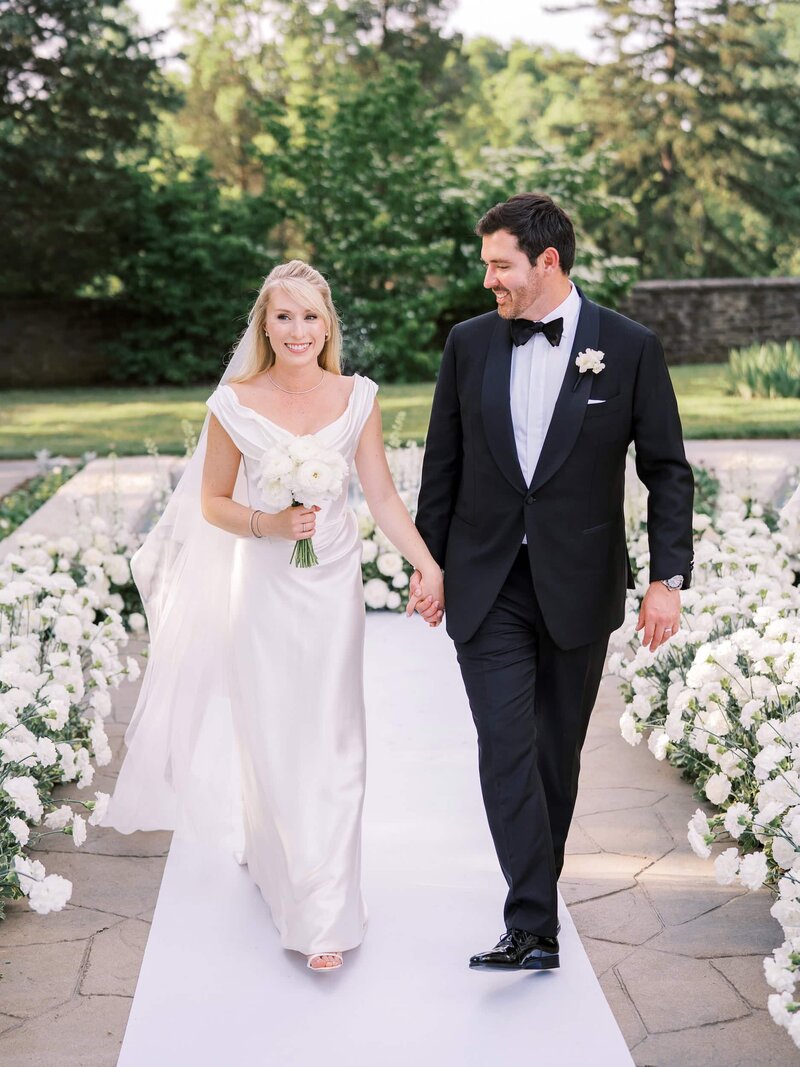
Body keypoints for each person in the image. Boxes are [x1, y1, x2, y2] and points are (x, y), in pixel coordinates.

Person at [104, 260, 443, 972]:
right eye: (283, 316)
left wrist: (426, 562)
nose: (297, 330)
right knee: (273, 731)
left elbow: (379, 495)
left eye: (310, 316)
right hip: (261, 584)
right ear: (264, 324)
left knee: (332, 733)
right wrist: (270, 522)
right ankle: (270, 854)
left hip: (332, 587)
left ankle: (324, 913)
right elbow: (212, 503)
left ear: (328, 325)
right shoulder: (233, 401)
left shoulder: (359, 396)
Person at [408, 192, 694, 973]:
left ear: (548, 262)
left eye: (500, 265)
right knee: (506, 745)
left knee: (554, 756)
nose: (488, 279)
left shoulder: (629, 347)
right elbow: (445, 465)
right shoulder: (468, 345)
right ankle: (533, 921)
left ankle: (533, 906)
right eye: (486, 264)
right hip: (486, 580)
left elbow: (666, 471)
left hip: (580, 583)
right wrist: (429, 564)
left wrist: (666, 578)